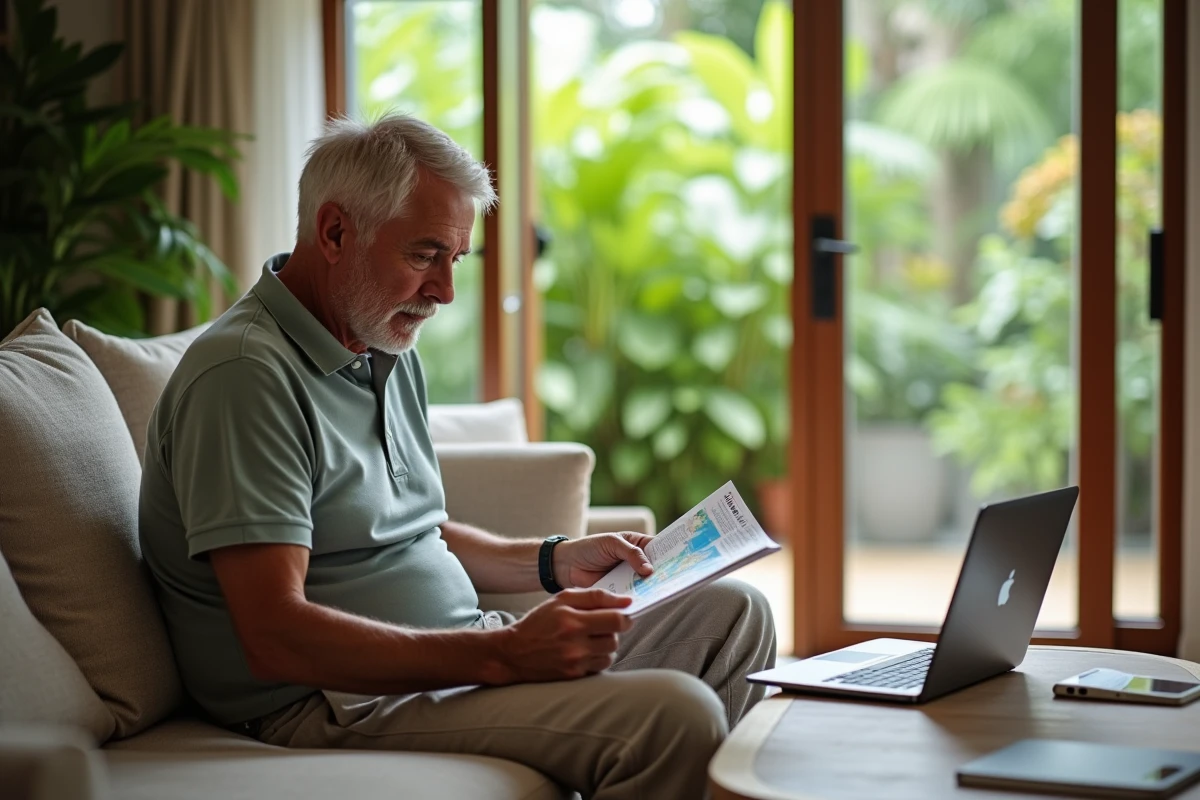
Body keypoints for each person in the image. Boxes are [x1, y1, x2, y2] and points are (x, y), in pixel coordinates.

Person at [139, 113, 776, 800]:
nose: (444, 292)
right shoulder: (244, 377)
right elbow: (275, 634)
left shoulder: (378, 341)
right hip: (331, 698)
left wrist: (554, 559)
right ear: (333, 233)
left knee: (736, 614)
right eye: (424, 255)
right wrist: (504, 653)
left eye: (456, 260)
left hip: (455, 649)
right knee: (673, 719)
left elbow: (413, 529)